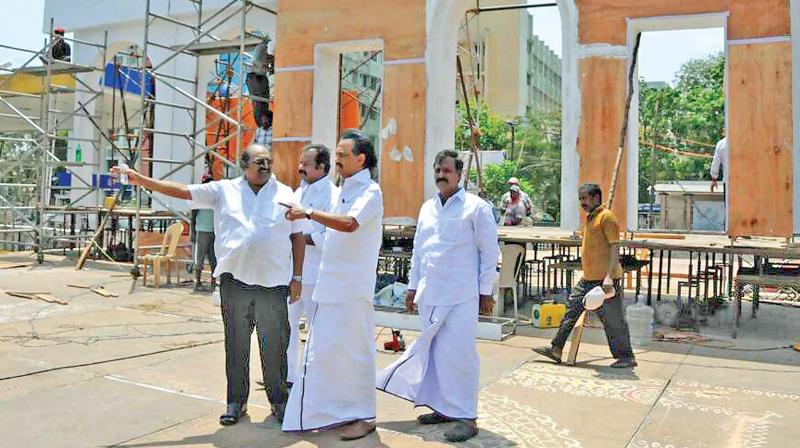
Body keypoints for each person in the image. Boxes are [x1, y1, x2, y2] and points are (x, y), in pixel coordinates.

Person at [111, 144, 306, 424]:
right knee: (236, 345)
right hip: (234, 283)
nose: (265, 166)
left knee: (274, 346)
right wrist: (141, 180)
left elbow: (297, 237)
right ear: (244, 164)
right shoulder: (223, 190)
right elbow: (182, 191)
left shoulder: (286, 194)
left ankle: (279, 403)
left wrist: (297, 277)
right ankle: (236, 403)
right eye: (258, 162)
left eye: (267, 162)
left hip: (273, 284)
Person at [377, 150, 499, 443]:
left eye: (446, 170)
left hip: (461, 295)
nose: (441, 174)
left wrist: (485, 292)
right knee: (436, 355)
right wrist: (411, 286)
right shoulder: (427, 208)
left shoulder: (476, 207)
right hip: (430, 294)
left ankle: (467, 417)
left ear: (459, 174)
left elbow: (489, 252)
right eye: (437, 170)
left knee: (459, 356)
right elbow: (420, 250)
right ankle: (444, 407)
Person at [281, 130, 383, 441]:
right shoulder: (342, 189)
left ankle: (365, 416)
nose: (336, 158)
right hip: (331, 286)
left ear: (360, 159)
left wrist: (309, 213)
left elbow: (350, 224)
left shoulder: (370, 191)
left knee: (356, 353)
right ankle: (336, 413)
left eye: (342, 153)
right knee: (326, 354)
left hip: (352, 290)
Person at [532, 184, 637, 369]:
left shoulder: (607, 217)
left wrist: (609, 279)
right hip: (587, 279)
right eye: (580, 199)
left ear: (596, 197)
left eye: (584, 198)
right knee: (570, 311)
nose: (582, 203)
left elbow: (615, 248)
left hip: (605, 281)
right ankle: (556, 348)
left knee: (613, 321)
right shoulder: (590, 219)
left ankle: (626, 357)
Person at [286, 144, 338, 386]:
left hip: (316, 274)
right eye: (301, 163)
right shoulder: (298, 192)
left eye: (306, 165)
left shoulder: (333, 195)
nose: (300, 168)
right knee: (287, 328)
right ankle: (288, 377)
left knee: (318, 332)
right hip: (292, 272)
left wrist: (299, 239)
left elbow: (330, 236)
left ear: (322, 167)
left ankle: (314, 380)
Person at [191, 175, 217, 292]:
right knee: (200, 258)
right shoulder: (199, 199)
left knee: (213, 258)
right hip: (202, 230)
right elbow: (193, 216)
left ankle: (213, 282)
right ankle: (198, 282)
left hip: (214, 230)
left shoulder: (216, 198)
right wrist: (192, 233)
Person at [246, 38, 273, 132]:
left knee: (262, 101)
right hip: (256, 77)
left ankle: (263, 122)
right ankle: (261, 123)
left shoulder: (262, 49)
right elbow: (258, 64)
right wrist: (270, 69)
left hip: (258, 77)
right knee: (260, 101)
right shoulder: (262, 48)